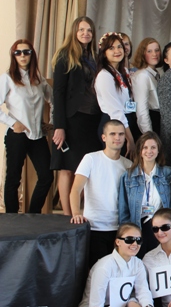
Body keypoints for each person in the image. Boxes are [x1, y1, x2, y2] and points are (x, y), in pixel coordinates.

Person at [51, 16, 102, 215]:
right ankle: (66, 214)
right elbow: (58, 93)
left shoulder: (95, 57)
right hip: (72, 120)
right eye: (81, 29)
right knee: (67, 167)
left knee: (86, 167)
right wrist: (59, 126)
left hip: (92, 119)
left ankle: (81, 211)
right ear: (74, 32)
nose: (85, 33)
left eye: (89, 30)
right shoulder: (65, 56)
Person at [70, 119, 133, 268]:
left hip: (119, 229)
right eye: (112, 134)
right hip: (94, 227)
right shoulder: (90, 158)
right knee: (96, 272)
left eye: (121, 134)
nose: (117, 137)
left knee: (118, 271)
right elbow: (75, 189)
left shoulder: (128, 165)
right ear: (104, 137)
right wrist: (76, 213)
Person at [0, 40, 54, 213]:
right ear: (13, 56)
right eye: (18, 53)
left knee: (46, 176)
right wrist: (12, 123)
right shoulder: (7, 78)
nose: (22, 56)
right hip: (17, 135)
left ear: (32, 54)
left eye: (26, 52)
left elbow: (53, 100)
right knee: (13, 178)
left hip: (37, 135)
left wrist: (51, 122)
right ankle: (12, 218)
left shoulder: (38, 79)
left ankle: (33, 215)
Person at [119, 131, 171, 259]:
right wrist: (125, 235)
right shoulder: (128, 176)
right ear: (140, 151)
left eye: (153, 147)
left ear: (158, 151)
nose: (149, 151)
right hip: (137, 227)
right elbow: (124, 210)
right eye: (145, 147)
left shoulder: (168, 173)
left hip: (161, 228)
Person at [79, 223, 153, 307]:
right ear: (118, 242)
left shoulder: (138, 263)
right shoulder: (104, 267)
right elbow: (96, 303)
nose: (135, 244)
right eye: (129, 240)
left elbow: (143, 291)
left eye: (139, 240)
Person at [94, 32, 137, 156]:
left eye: (119, 47)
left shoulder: (123, 71)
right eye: (111, 48)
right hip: (114, 124)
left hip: (127, 120)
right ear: (104, 53)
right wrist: (130, 139)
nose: (117, 51)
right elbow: (116, 112)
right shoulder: (105, 76)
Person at [131, 37, 162, 134]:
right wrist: (148, 134)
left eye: (157, 50)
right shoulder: (142, 76)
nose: (154, 54)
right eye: (149, 51)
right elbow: (141, 109)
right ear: (142, 54)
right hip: (150, 120)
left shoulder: (155, 73)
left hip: (158, 118)